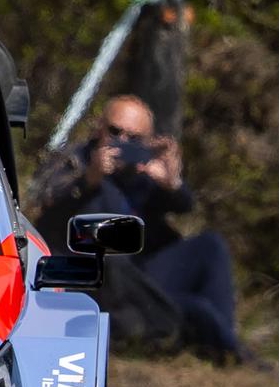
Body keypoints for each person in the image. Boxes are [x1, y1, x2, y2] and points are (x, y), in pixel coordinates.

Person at [30, 95, 251, 362]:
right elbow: (44, 205)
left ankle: (222, 344)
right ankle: (222, 347)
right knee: (196, 310)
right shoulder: (74, 160)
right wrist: (89, 180)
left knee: (210, 247)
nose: (121, 142)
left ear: (147, 143)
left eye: (133, 138)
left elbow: (185, 206)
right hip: (98, 281)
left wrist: (172, 182)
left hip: (141, 276)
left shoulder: (142, 175)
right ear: (99, 127)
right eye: (114, 131)